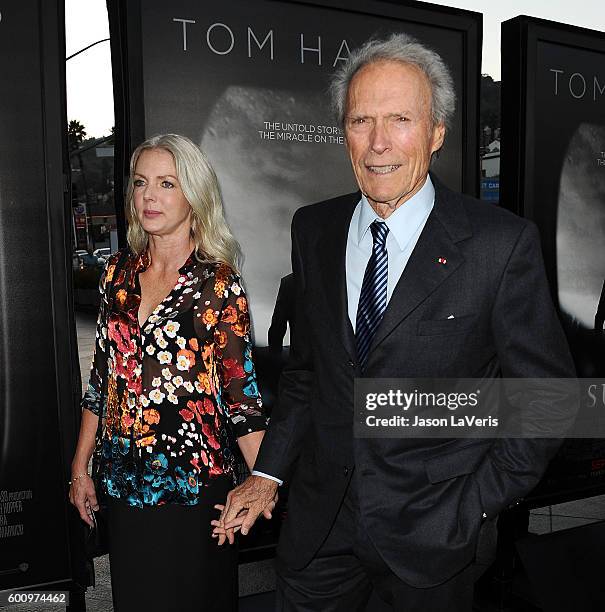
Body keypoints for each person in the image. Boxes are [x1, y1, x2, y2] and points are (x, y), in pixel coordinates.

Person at [215, 34, 576, 611]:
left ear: (436, 134)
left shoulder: (499, 245)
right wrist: (271, 475)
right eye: (361, 121)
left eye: (400, 119)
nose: (378, 143)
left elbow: (549, 399)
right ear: (344, 135)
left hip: (432, 539)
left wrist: (476, 501)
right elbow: (308, 374)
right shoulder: (315, 230)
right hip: (319, 528)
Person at [69, 134, 269, 612]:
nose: (148, 197)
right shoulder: (117, 274)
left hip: (194, 488)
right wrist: (80, 467)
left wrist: (264, 480)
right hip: (122, 483)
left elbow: (242, 398)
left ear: (194, 195)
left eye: (166, 183)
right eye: (140, 184)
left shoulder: (218, 284)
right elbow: (102, 381)